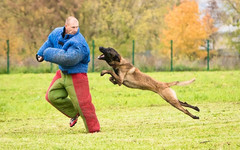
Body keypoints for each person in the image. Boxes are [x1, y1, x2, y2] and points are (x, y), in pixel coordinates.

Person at [36, 16, 100, 133]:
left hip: (77, 75)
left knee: (83, 105)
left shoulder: (79, 43)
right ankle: (74, 113)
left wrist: (47, 53)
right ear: (66, 26)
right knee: (52, 96)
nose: (76, 29)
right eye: (73, 27)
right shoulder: (57, 33)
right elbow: (49, 42)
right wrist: (40, 53)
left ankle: (94, 129)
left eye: (77, 27)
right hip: (62, 73)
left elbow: (68, 59)